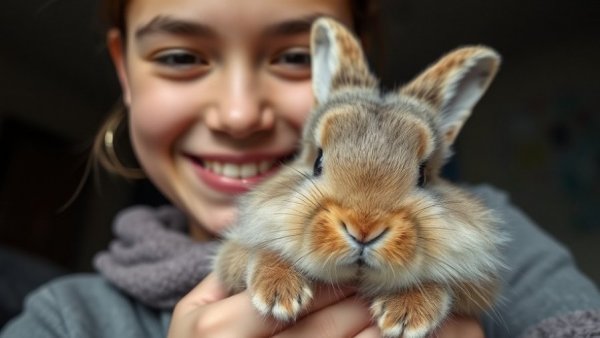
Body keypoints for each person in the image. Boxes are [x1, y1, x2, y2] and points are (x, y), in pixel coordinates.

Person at [2, 0, 600, 337]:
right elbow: (242, 245)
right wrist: (259, 261)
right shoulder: (64, 319)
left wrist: (436, 287)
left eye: (289, 57)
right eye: (182, 56)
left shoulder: (505, 235)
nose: (239, 115)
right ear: (124, 71)